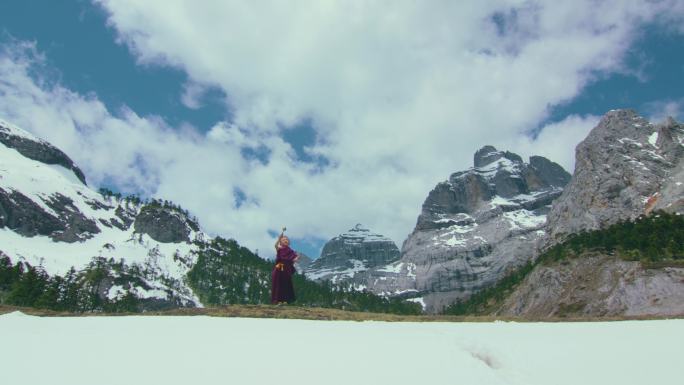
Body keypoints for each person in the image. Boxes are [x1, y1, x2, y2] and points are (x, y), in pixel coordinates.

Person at [271, 230, 299, 304]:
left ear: (289, 242)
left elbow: (293, 260)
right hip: (279, 268)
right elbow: (275, 246)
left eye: (286, 239)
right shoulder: (279, 249)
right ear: (281, 242)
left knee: (286, 284)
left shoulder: (291, 251)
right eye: (283, 240)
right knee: (278, 284)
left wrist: (296, 259)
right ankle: (278, 300)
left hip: (287, 269)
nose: (285, 240)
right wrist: (278, 238)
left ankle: (286, 301)